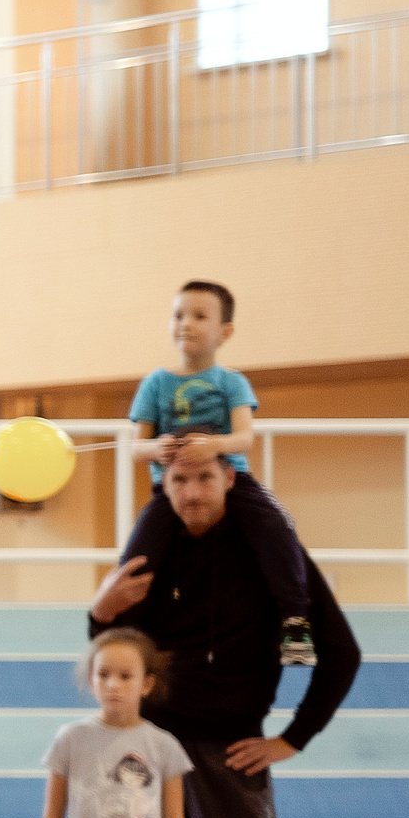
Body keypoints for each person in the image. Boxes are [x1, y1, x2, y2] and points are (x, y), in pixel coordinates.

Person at [89, 449, 361, 818]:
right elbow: (119, 655)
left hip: (231, 753)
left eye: (204, 478)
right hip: (152, 749)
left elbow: (342, 653)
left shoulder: (274, 557)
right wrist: (99, 615)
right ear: (163, 484)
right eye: (179, 480)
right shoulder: (151, 556)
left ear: (230, 478)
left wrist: (293, 738)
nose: (192, 492)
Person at [120, 281, 315, 664]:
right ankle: (127, 632)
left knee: (279, 528)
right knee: (139, 549)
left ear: (225, 332)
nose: (185, 324)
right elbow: (134, 446)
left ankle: (295, 620)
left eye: (199, 316)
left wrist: (215, 446)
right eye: (178, 315)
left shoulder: (231, 382)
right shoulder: (156, 383)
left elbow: (245, 438)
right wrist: (155, 449)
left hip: (230, 482)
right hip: (170, 487)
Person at [43, 628, 189, 818]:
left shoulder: (164, 746)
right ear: (90, 680)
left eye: (125, 676)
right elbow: (53, 815)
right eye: (103, 674)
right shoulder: (70, 740)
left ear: (146, 684)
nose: (113, 685)